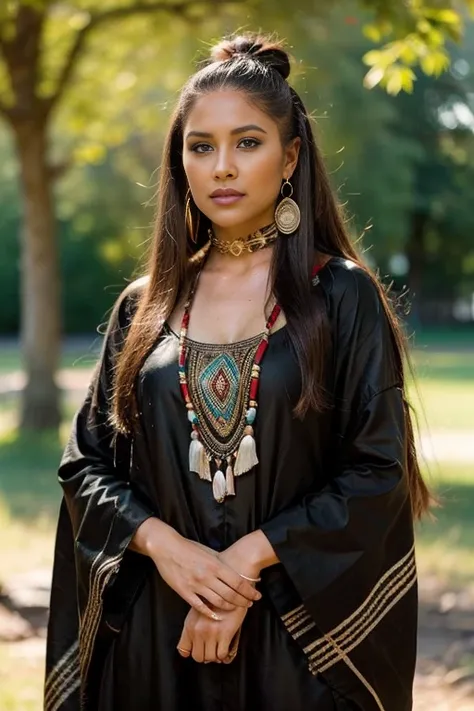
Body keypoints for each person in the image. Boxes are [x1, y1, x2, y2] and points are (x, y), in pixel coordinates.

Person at [45, 32, 430, 711]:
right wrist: (171, 552)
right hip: (154, 638)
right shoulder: (147, 305)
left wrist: (241, 566)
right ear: (180, 164)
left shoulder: (339, 297)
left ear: (290, 158)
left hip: (296, 640)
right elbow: (86, 466)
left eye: (247, 143)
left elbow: (377, 472)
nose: (222, 166)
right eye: (201, 146)